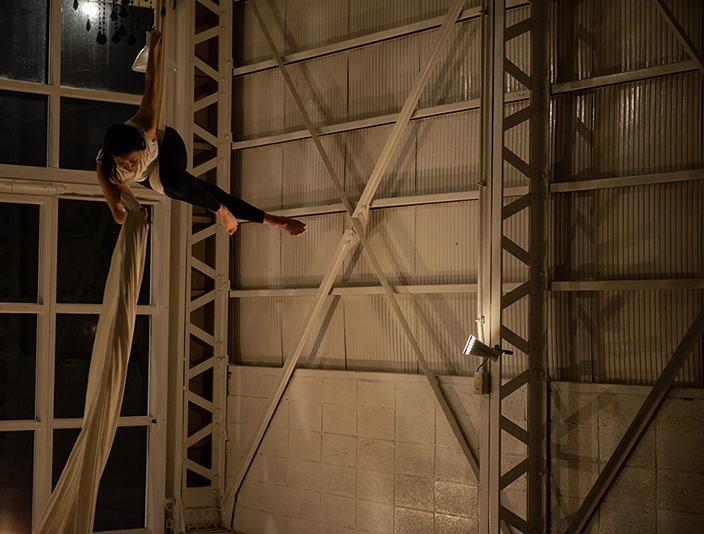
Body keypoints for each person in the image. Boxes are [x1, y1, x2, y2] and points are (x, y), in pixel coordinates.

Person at [96, 31, 306, 237]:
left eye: (132, 160)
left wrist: (154, 49)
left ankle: (221, 210)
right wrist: (132, 217)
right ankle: (270, 219)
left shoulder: (146, 124)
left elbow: (152, 84)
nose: (129, 167)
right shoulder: (108, 171)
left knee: (176, 184)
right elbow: (116, 213)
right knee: (197, 191)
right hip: (151, 175)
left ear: (142, 145)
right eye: (122, 163)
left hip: (166, 145)